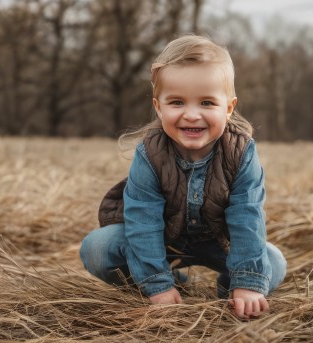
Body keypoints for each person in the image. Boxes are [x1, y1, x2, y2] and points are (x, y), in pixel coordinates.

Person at [79, 35, 286, 319]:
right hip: (163, 240)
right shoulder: (150, 154)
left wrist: (248, 282)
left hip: (221, 243)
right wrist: (157, 284)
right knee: (97, 247)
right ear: (158, 106)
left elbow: (247, 216)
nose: (191, 115)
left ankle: (231, 292)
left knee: (274, 261)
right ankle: (172, 287)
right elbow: (143, 221)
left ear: (228, 108)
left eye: (206, 103)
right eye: (177, 102)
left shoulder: (241, 153)